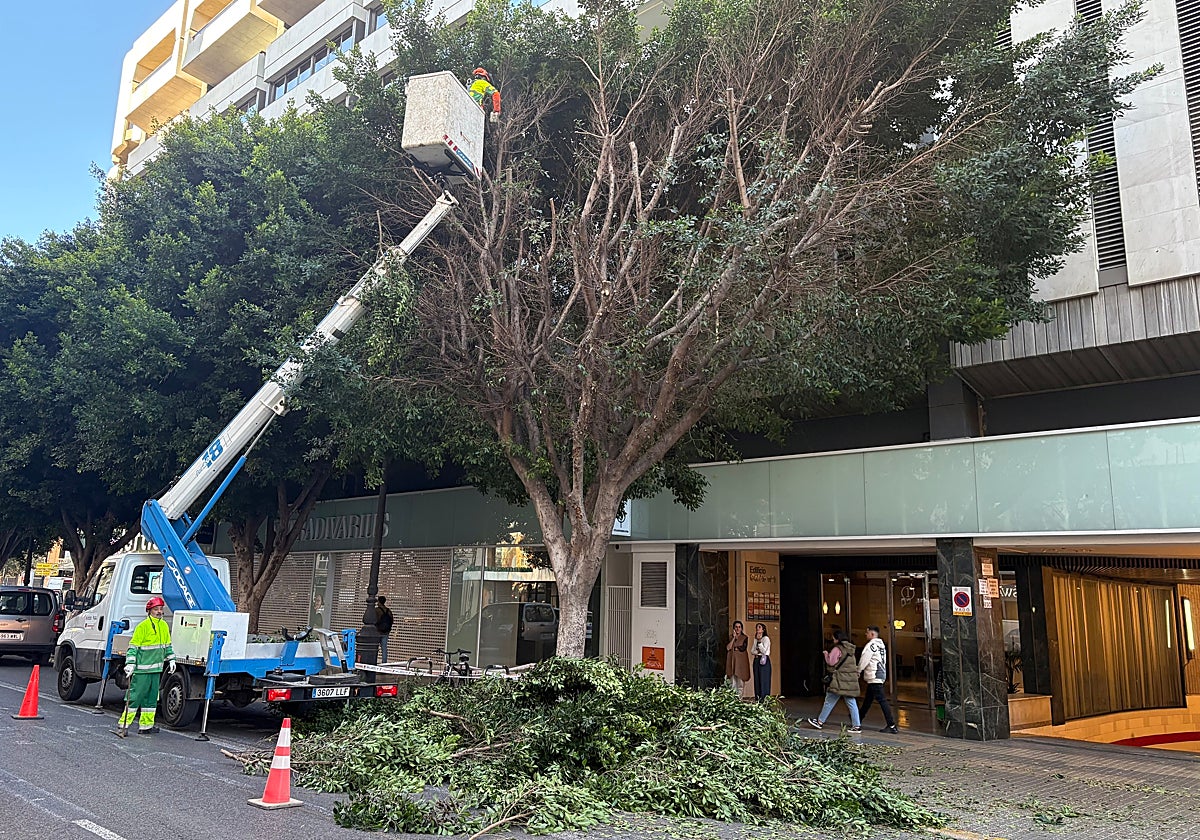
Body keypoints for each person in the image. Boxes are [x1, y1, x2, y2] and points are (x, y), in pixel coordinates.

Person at [118, 595, 175, 736]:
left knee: (151, 699)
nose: (159, 611)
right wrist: (130, 664)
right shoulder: (142, 627)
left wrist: (172, 659)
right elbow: (133, 647)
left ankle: (146, 726)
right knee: (134, 698)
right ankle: (123, 725)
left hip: (156, 670)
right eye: (156, 609)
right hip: (142, 670)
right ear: (149, 610)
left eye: (161, 609)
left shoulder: (163, 626)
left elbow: (167, 646)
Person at [807, 629, 861, 732]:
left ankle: (819, 722)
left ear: (837, 638)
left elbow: (831, 662)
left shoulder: (837, 649)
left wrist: (826, 654)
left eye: (833, 638)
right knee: (851, 701)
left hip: (839, 680)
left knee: (829, 700)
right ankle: (856, 725)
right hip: (849, 680)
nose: (833, 640)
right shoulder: (851, 649)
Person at [857, 625, 899, 733]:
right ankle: (858, 719)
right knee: (868, 700)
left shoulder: (871, 646)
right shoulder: (881, 646)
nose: (865, 635)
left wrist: (858, 670)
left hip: (873, 675)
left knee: (882, 700)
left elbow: (864, 660)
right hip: (880, 675)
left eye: (867, 633)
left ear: (871, 634)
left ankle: (891, 725)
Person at [725, 620, 750, 696]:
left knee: (740, 683)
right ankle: (733, 700)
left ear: (741, 628)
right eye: (736, 627)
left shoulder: (745, 637)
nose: (737, 629)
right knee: (732, 683)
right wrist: (734, 638)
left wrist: (737, 648)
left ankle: (739, 699)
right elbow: (728, 647)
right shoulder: (730, 637)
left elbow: (743, 648)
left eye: (739, 627)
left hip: (741, 662)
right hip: (731, 661)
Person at [750, 622, 772, 701]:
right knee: (757, 680)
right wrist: (757, 649)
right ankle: (758, 698)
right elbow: (752, 651)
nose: (757, 629)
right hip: (756, 660)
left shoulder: (766, 639)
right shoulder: (755, 639)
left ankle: (764, 699)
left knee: (764, 680)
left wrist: (759, 642)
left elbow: (764, 652)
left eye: (759, 627)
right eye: (756, 627)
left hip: (763, 660)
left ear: (763, 630)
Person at [375, 595, 395, 661]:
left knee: (375, 647)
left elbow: (374, 620)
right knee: (384, 648)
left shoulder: (377, 610)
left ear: (379, 602)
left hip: (377, 631)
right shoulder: (388, 611)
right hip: (386, 632)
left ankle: (374, 660)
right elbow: (392, 621)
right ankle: (384, 662)